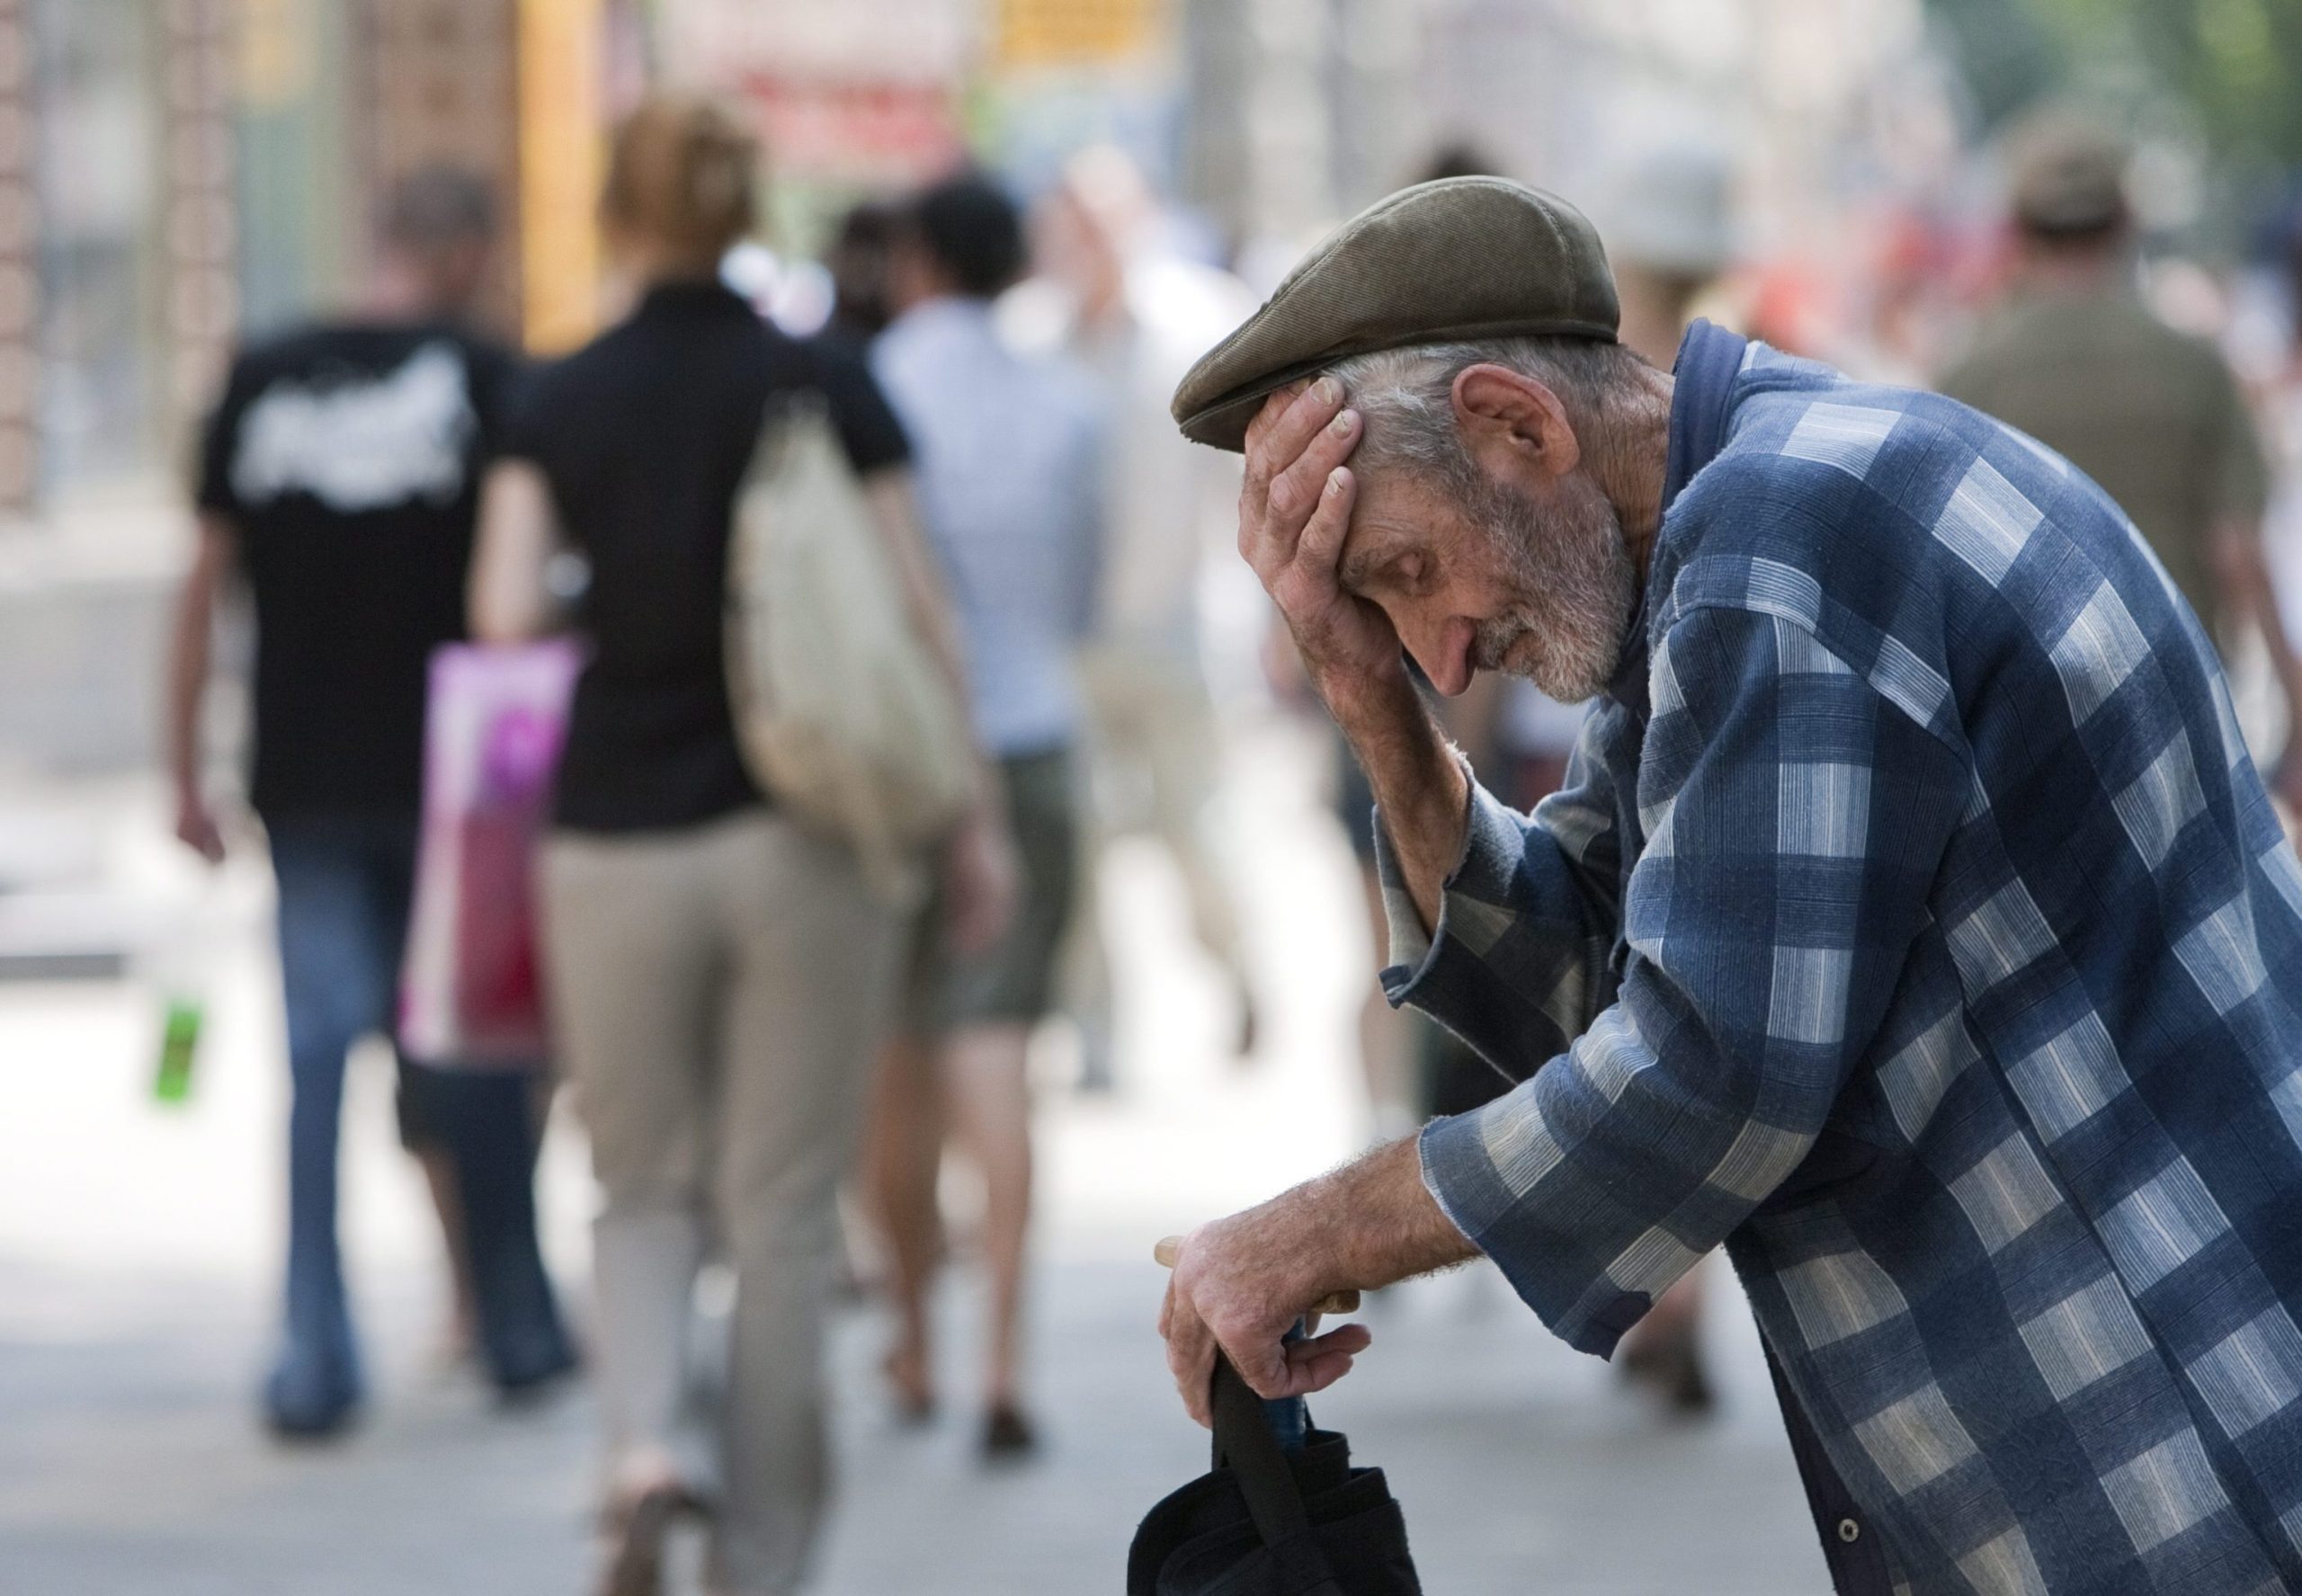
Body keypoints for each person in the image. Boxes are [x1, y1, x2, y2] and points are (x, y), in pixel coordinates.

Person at [1156, 176, 2302, 1594]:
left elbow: (1703, 1068)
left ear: (1519, 427)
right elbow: (1590, 982)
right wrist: (1364, 689)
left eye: (1410, 570)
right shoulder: (1713, 539)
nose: (1441, 658)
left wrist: (1314, 1235)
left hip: (2185, 1462)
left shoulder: (1784, 543)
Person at [468, 98, 1008, 1596]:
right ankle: (762, 1566)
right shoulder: (822, 379)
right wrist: (969, 821)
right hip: (802, 843)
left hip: (611, 842)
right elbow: (919, 615)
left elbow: (506, 613)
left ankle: (645, 1448)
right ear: (745, 206)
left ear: (613, 217)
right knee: (778, 1217)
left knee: (638, 1182)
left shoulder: (555, 397)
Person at [168, 165, 574, 1440]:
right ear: (466, 253)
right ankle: (515, 1321)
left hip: (301, 778)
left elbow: (202, 582)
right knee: (471, 1050)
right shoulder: (494, 378)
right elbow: (527, 596)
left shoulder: (262, 370)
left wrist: (180, 764)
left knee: (312, 1060)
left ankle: (312, 1345)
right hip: (459, 785)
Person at [863, 173, 1104, 1458]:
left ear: (913, 258)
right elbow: (1079, 599)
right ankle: (1005, 1354)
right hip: (1035, 740)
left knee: (894, 1059)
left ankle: (912, 1336)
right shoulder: (1063, 404)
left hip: (902, 760)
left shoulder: (874, 385)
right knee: (1000, 1048)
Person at [1939, 118, 2297, 810]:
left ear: (2016, 226)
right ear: (2126, 219)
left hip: (2023, 728)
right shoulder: (2194, 365)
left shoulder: (1967, 379)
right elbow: (2240, 552)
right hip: (2175, 705)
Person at [1021, 146, 1259, 1084]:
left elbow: (1246, 487)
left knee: (1195, 832)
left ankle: (1239, 967)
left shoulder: (1198, 322)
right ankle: (1093, 1027)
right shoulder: (1031, 335)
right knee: (1078, 846)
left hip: (1179, 628)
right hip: (1069, 640)